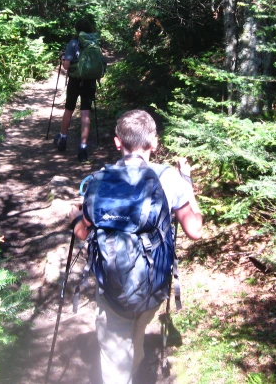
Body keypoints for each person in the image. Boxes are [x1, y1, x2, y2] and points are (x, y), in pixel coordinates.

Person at [69, 109, 203, 384]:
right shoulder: (170, 179)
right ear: (154, 143)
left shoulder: (99, 181)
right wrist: (187, 186)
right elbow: (195, 231)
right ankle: (136, 363)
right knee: (137, 331)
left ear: (118, 142)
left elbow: (83, 233)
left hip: (113, 290)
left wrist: (74, 218)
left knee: (115, 358)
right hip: (153, 287)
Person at [53, 18, 99, 162]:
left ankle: (63, 139)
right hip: (90, 82)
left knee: (69, 109)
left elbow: (66, 66)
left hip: (75, 81)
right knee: (86, 112)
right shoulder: (95, 43)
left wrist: (62, 57)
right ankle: (83, 148)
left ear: (77, 29)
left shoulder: (73, 43)